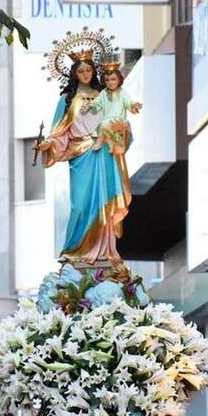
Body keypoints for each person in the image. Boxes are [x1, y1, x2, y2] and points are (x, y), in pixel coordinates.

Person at [35, 39, 133, 266]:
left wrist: (121, 129)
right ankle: (75, 250)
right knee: (79, 205)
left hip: (105, 153)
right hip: (81, 155)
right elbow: (58, 132)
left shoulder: (106, 95)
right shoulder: (66, 100)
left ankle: (104, 251)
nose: (86, 74)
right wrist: (47, 144)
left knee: (104, 203)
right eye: (81, 71)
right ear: (74, 74)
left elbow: (120, 117)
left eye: (89, 70)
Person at [82, 63, 141, 155]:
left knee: (105, 125)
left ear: (119, 80)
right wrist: (88, 106)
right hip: (107, 120)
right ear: (104, 81)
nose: (110, 82)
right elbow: (96, 103)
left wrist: (134, 106)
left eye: (113, 79)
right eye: (107, 80)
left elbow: (129, 102)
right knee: (103, 125)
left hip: (119, 120)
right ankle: (109, 143)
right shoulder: (103, 93)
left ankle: (100, 143)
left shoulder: (121, 92)